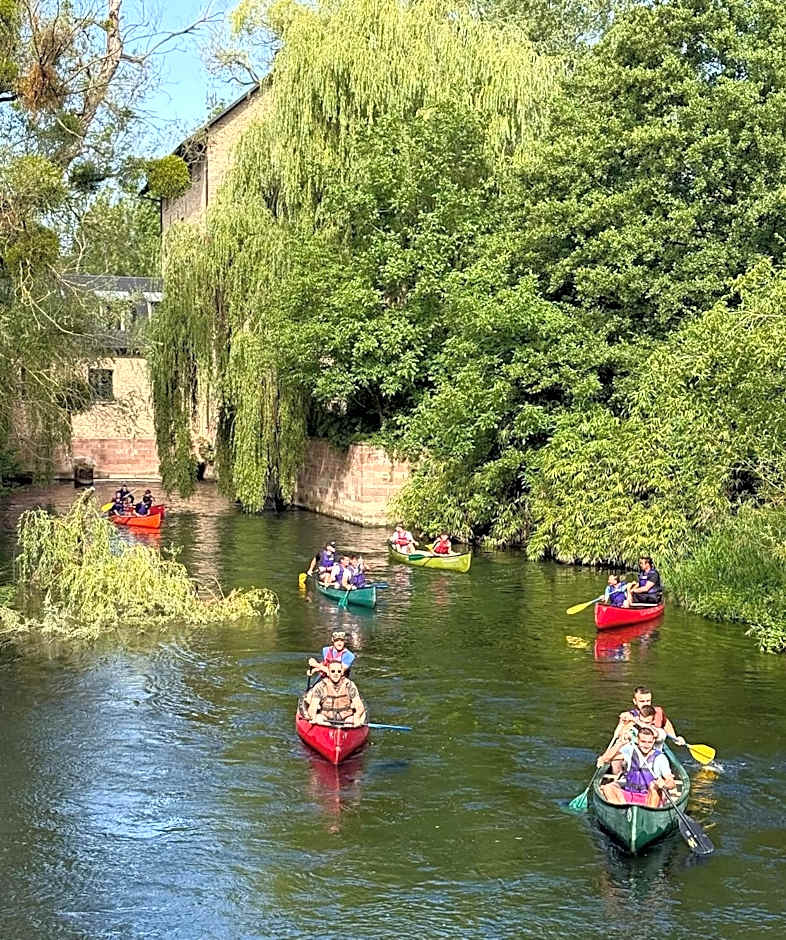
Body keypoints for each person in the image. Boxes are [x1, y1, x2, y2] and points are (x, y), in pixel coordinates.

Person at [597, 725, 677, 807]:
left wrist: (664, 784)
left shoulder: (660, 758)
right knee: (608, 788)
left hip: (649, 798)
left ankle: (649, 812)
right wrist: (620, 743)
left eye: (649, 742)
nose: (646, 745)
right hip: (630, 794)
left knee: (654, 786)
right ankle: (621, 809)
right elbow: (606, 759)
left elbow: (672, 783)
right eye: (643, 741)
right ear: (638, 740)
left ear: (653, 741)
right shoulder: (631, 751)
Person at [303, 660, 367, 727]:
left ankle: (348, 729)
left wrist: (357, 717)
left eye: (339, 671)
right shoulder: (320, 686)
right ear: (328, 673)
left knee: (351, 722)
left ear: (342, 673)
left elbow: (359, 706)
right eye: (333, 671)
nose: (336, 674)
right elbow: (313, 707)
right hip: (326, 718)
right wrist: (313, 717)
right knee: (318, 718)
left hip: (347, 717)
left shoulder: (349, 685)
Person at [614, 686, 685, 746]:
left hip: (656, 744)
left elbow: (666, 724)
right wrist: (623, 724)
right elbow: (618, 735)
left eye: (648, 701)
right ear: (635, 701)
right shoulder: (629, 716)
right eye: (642, 701)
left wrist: (675, 738)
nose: (645, 704)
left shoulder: (658, 712)